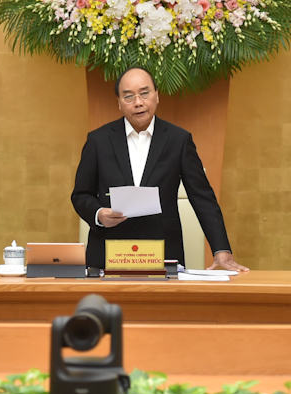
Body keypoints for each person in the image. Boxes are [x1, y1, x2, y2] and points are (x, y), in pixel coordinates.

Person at [72, 67, 247, 272]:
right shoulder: (98, 140)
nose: (138, 102)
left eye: (144, 93)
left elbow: (202, 197)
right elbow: (81, 194)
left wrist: (221, 249)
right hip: (107, 254)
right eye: (128, 96)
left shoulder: (178, 140)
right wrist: (99, 213)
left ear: (157, 95)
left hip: (163, 254)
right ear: (119, 103)